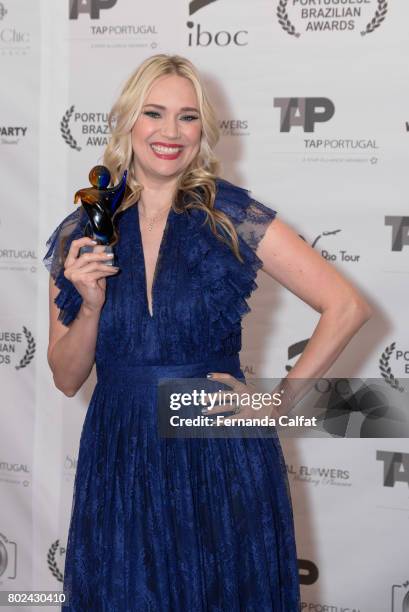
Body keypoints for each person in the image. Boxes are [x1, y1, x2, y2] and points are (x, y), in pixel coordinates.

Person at [43, 54, 372, 611]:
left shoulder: (230, 214)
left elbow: (345, 305)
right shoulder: (83, 229)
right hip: (119, 451)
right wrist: (92, 305)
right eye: (154, 113)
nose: (171, 132)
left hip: (215, 446)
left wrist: (278, 403)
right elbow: (67, 377)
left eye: (188, 117)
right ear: (127, 122)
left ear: (203, 130)